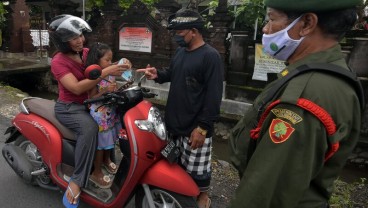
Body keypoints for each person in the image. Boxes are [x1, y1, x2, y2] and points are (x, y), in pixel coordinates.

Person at [228, 0, 364, 207]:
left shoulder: (303, 97)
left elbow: (265, 193)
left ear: (307, 23)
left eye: (272, 19)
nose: (265, 29)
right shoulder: (330, 73)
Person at [137, 9, 224, 208]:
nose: (176, 37)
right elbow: (172, 73)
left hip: (196, 126)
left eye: (180, 33)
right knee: (175, 163)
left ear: (194, 31)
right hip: (175, 120)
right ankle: (179, 192)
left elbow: (213, 96)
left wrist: (202, 127)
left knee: (197, 168)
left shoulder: (210, 57)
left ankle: (202, 196)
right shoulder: (180, 52)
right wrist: (156, 74)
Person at [48, 15, 127, 207]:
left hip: (93, 102)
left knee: (115, 120)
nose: (80, 40)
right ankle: (78, 179)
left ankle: (107, 161)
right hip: (70, 107)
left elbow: (106, 62)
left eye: (80, 35)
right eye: (74, 38)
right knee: (91, 129)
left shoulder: (85, 53)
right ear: (62, 41)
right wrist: (106, 72)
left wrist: (123, 66)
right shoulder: (58, 62)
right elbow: (75, 88)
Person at [85, 42, 131, 188]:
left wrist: (121, 88)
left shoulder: (110, 74)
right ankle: (96, 172)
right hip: (100, 115)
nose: (111, 63)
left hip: (110, 113)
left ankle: (106, 161)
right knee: (100, 145)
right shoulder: (94, 77)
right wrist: (105, 91)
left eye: (112, 60)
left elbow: (113, 90)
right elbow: (91, 99)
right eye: (107, 60)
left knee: (109, 140)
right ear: (97, 61)